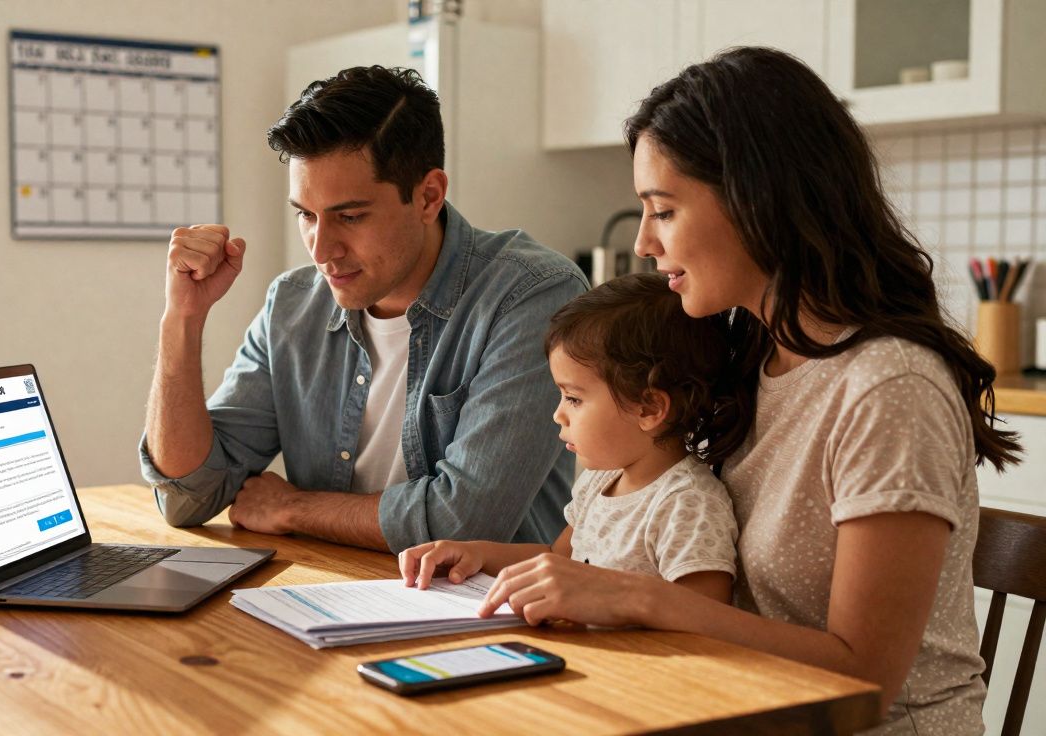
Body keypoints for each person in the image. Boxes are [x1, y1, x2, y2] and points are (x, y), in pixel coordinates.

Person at [475, 47, 1021, 734]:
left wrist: (643, 599)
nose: (644, 242)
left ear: (757, 201)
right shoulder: (753, 355)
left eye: (663, 210)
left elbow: (864, 682)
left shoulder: (890, 388)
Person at [140, 66, 587, 553]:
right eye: (306, 216)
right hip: (332, 596)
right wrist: (182, 319)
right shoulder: (293, 304)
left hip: (489, 613)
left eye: (349, 216)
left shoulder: (533, 295)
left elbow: (464, 522)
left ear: (428, 196)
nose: (320, 249)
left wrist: (294, 508)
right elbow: (188, 496)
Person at [399, 273, 741, 617]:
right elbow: (558, 559)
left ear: (649, 408)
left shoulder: (688, 504)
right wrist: (479, 556)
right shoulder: (601, 480)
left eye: (574, 398)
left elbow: (707, 618)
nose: (558, 415)